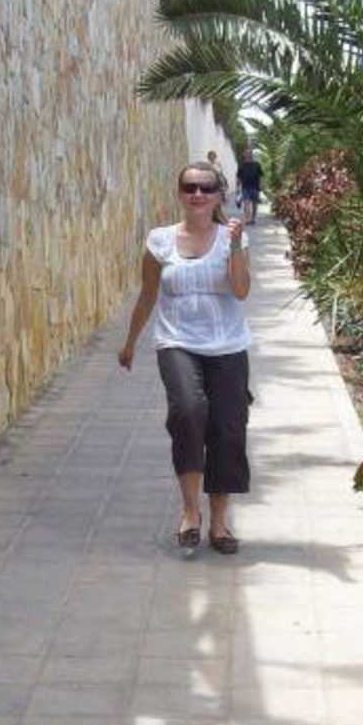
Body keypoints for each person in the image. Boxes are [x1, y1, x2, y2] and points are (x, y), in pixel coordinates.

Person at [118, 160, 252, 554]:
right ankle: (191, 512)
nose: (197, 194)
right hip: (176, 342)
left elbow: (241, 290)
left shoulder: (233, 237)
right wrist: (130, 343)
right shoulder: (160, 240)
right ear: (179, 193)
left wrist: (235, 247)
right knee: (188, 412)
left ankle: (220, 522)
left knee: (228, 428)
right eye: (190, 187)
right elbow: (147, 295)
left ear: (218, 195)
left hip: (228, 345)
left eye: (206, 188)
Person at [236, 147, 264, 225]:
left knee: (255, 204)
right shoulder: (242, 165)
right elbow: (238, 177)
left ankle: (253, 218)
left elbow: (261, 176)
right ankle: (247, 219)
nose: (248, 155)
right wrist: (237, 187)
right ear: (244, 155)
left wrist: (261, 185)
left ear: (252, 155)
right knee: (246, 203)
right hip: (245, 187)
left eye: (249, 153)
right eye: (246, 153)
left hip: (255, 187)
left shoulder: (257, 165)